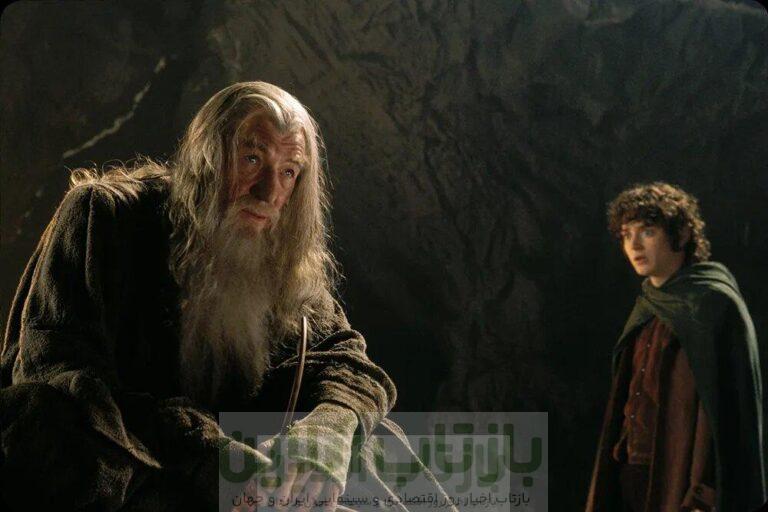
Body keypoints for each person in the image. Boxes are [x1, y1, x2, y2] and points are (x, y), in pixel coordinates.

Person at [0, 82, 442, 511]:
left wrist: (327, 431)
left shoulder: (282, 255)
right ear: (205, 158)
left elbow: (346, 361)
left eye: (289, 171)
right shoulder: (104, 216)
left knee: (371, 437)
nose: (269, 193)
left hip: (245, 470)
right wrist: (212, 457)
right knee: (48, 418)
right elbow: (62, 373)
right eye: (252, 159)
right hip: (133, 465)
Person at [585, 182, 766, 512]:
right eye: (626, 234)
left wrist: (703, 495)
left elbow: (727, 412)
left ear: (681, 234)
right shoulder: (647, 305)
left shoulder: (713, 305)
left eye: (647, 232)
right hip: (629, 475)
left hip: (678, 480)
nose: (634, 245)